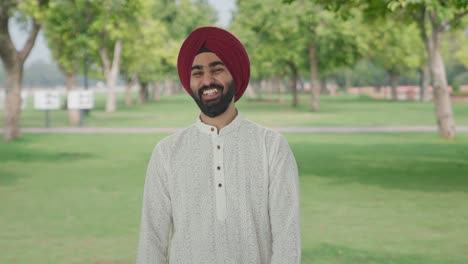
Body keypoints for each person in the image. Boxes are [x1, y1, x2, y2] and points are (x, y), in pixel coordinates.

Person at [136, 26, 301, 264]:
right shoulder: (167, 152)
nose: (207, 81)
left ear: (234, 72)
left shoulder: (271, 147)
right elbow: (151, 242)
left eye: (217, 69)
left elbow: (287, 241)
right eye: (197, 73)